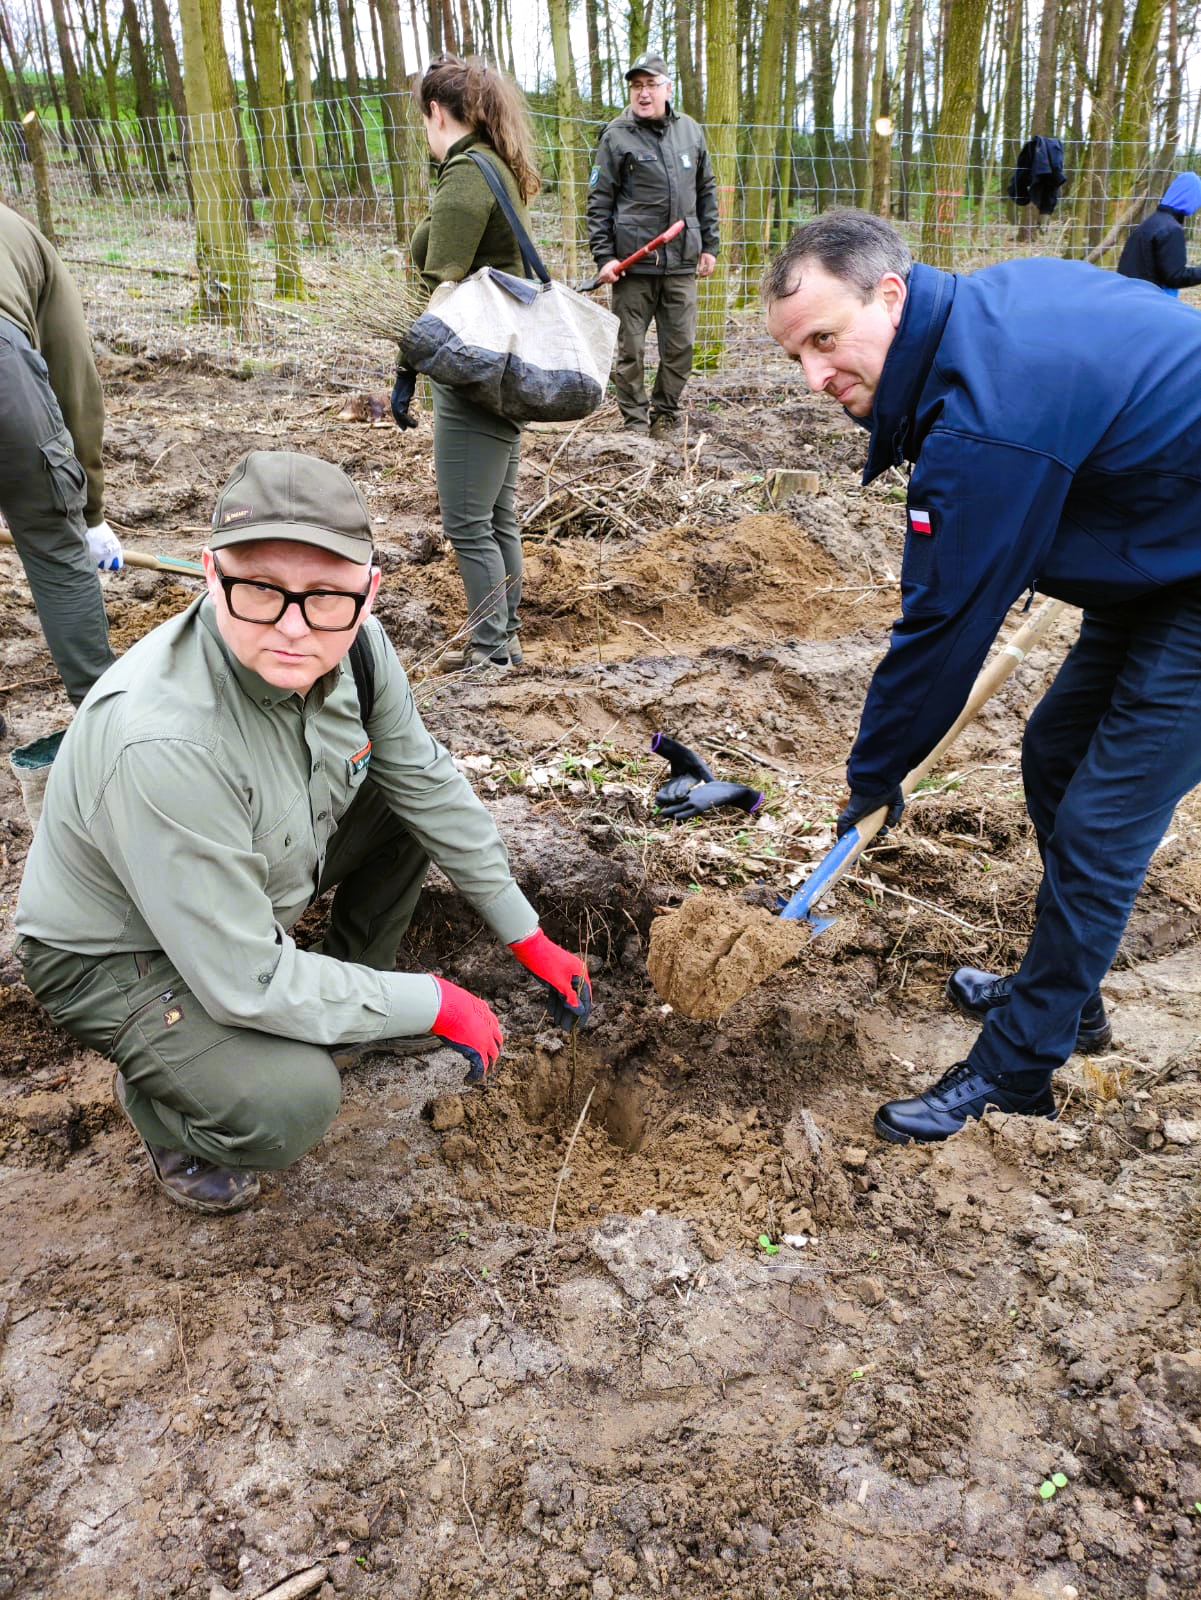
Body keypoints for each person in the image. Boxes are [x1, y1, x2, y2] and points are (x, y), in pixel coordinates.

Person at [14, 450, 592, 1215]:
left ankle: (348, 1012)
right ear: (211, 575)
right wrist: (434, 1002)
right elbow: (246, 978)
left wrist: (525, 933)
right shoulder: (164, 738)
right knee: (287, 1105)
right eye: (259, 591)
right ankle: (168, 1098)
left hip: (246, 882)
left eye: (326, 597)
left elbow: (426, 783)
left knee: (400, 800)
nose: (293, 627)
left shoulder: (358, 648)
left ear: (368, 592)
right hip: (119, 952)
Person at [763, 207, 1201, 1145]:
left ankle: (1018, 1067)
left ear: (890, 294)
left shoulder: (987, 422)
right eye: (796, 354)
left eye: (826, 341)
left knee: (1101, 821)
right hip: (1167, 536)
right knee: (1052, 754)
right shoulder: (978, 320)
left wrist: (872, 779)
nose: (813, 376)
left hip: (1188, 566)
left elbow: (942, 630)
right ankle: (1066, 997)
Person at [405, 54, 541, 672]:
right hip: (503, 359)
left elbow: (443, 283)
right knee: (496, 515)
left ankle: (490, 653)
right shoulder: (494, 165)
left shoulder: (465, 173)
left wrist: (408, 364)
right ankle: (503, 641)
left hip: (473, 367)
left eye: (422, 118)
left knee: (466, 522)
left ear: (437, 111)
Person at [0, 200, 122, 738]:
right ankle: (109, 720)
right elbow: (73, 380)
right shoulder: (27, 240)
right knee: (54, 549)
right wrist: (89, 515)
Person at [586, 50, 719, 439]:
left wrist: (709, 244)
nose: (643, 94)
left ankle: (665, 415)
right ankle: (634, 423)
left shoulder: (690, 131)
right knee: (630, 349)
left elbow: (706, 190)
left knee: (680, 347)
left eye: (650, 85)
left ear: (667, 88)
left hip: (681, 261)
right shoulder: (616, 135)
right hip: (633, 264)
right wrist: (605, 257)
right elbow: (599, 202)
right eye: (636, 86)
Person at [1116, 173, 1201, 296]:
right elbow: (1175, 277)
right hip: (1150, 301)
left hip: (1131, 295)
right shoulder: (1171, 230)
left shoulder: (1152, 222)